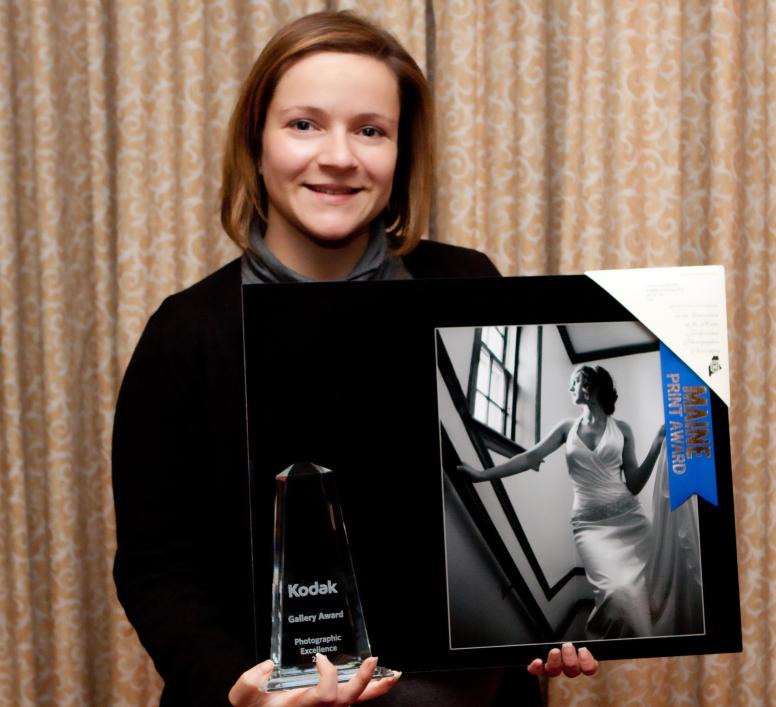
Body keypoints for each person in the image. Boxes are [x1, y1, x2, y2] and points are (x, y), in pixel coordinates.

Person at [111, 11, 596, 707]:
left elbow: (524, 494)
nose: (339, 155)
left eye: (370, 129)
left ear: (400, 152)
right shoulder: (186, 334)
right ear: (256, 140)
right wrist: (231, 686)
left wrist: (559, 615)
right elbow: (158, 567)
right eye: (304, 124)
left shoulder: (467, 285)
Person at [459, 365, 665, 639]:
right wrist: (482, 475)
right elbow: (528, 458)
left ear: (589, 385)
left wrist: (656, 445)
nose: (570, 389)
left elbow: (635, 483)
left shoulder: (622, 429)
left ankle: (642, 659)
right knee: (616, 594)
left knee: (646, 594)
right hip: (590, 527)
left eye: (574, 383)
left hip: (630, 521)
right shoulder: (567, 428)